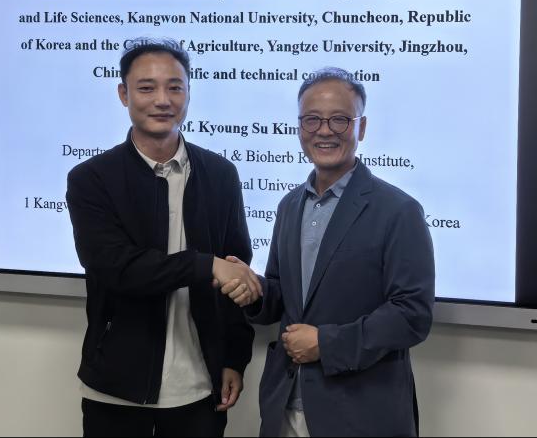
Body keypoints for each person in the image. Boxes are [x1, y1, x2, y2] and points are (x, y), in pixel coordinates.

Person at [220, 67, 435, 437]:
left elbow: (412, 314)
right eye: (312, 119)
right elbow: (283, 298)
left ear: (361, 128)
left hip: (360, 416)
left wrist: (327, 344)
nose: (324, 131)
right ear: (299, 127)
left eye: (339, 119)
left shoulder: (398, 211)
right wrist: (252, 289)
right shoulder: (290, 206)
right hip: (285, 406)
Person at [66, 38, 261, 437]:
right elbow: (119, 269)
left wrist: (234, 358)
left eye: (175, 87)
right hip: (116, 389)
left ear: (188, 93)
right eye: (146, 87)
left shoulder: (220, 175)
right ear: (124, 94)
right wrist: (205, 265)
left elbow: (236, 268)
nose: (162, 100)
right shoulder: (91, 179)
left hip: (199, 387)